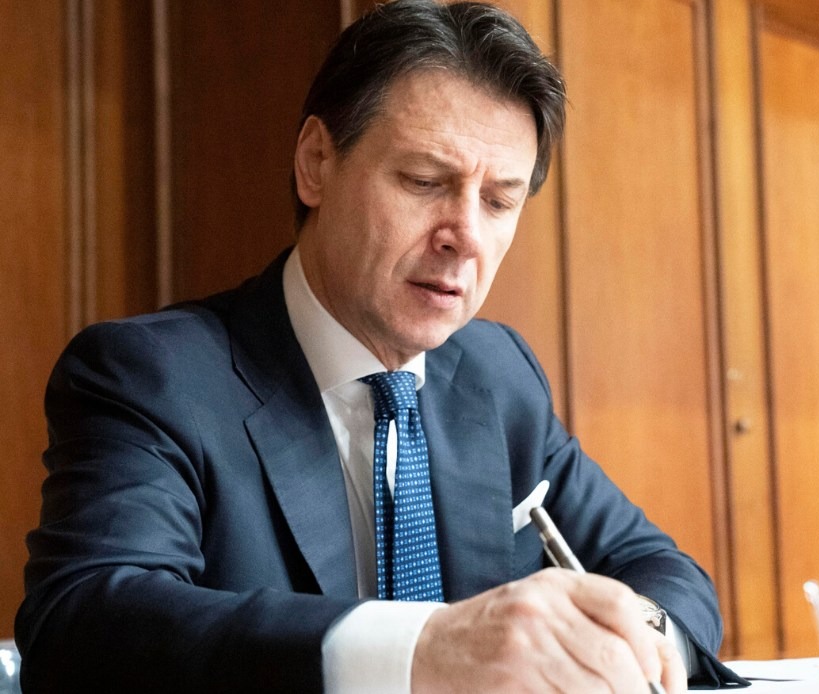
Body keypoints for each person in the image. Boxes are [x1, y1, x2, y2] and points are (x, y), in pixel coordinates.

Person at [15, 1, 746, 692]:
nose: (466, 237)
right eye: (425, 181)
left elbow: (662, 571)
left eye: (499, 201)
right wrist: (421, 650)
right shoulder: (154, 376)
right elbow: (84, 622)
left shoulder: (498, 376)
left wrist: (629, 638)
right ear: (315, 163)